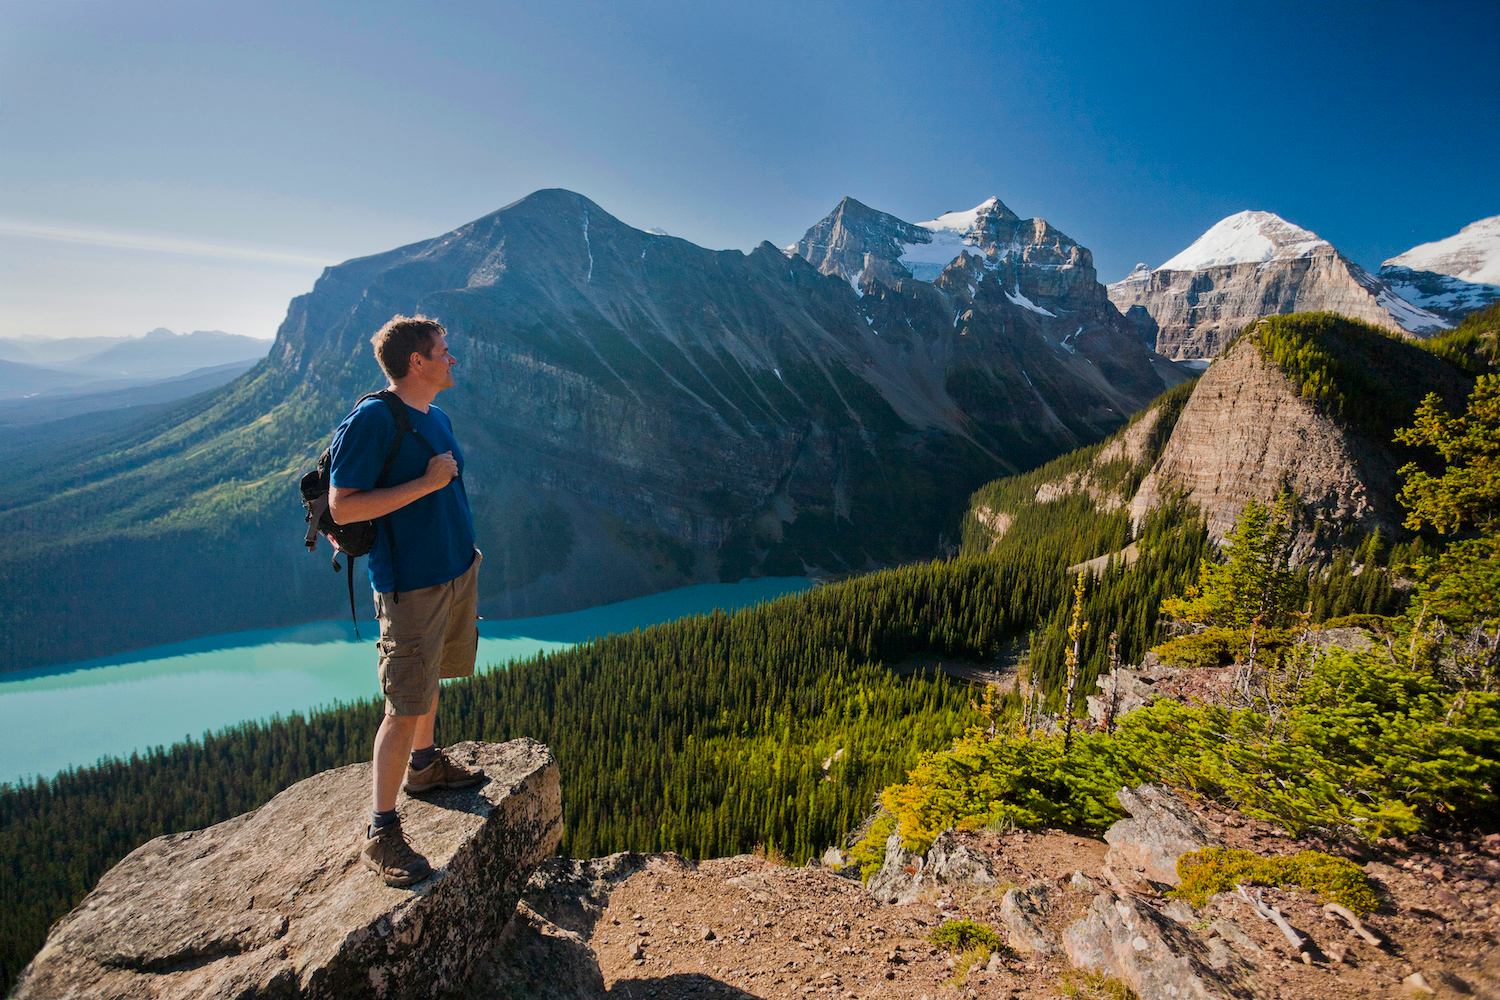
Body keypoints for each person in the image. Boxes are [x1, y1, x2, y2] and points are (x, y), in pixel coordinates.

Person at [328, 314, 484, 886]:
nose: (452, 359)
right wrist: (427, 482)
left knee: (431, 678)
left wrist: (465, 550)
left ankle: (424, 766)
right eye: (444, 350)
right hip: (411, 584)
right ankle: (382, 831)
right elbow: (343, 506)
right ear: (416, 362)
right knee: (403, 701)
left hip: (453, 570)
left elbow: (448, 487)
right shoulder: (373, 419)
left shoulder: (435, 416)